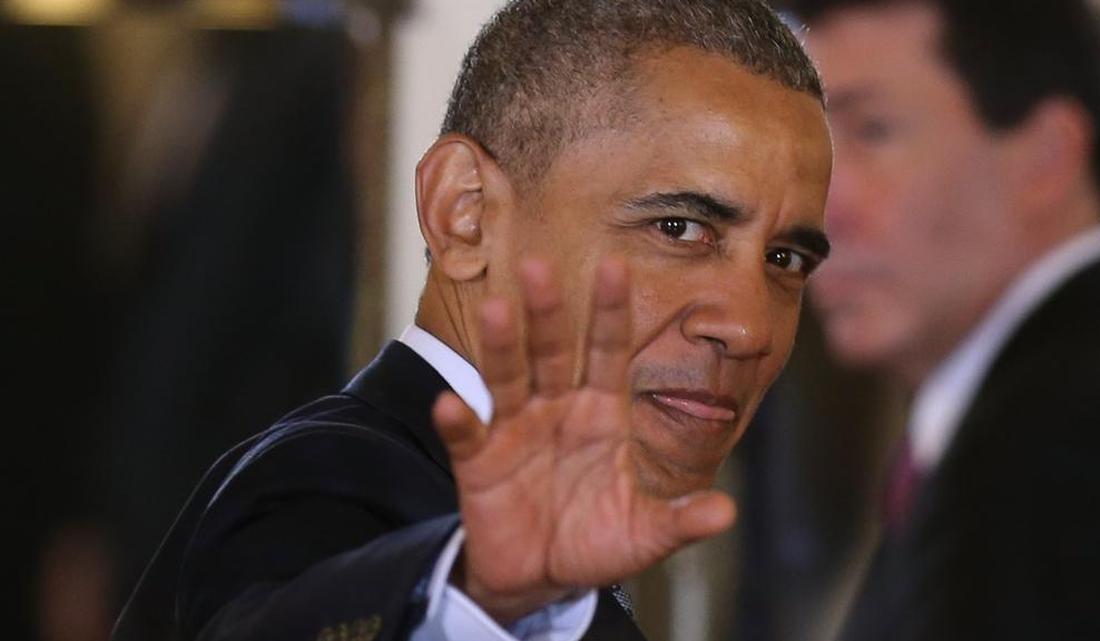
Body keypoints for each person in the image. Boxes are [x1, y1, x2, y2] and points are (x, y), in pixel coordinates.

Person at [111, 1, 833, 640]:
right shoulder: (322, 484)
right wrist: (476, 596)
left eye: (785, 259)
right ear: (465, 214)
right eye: (678, 227)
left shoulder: (558, 565)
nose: (750, 327)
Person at [786, 0, 1100, 639]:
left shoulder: (1086, 437)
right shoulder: (1025, 410)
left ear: (1047, 157)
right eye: (813, 146)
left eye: (871, 131)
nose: (818, 212)